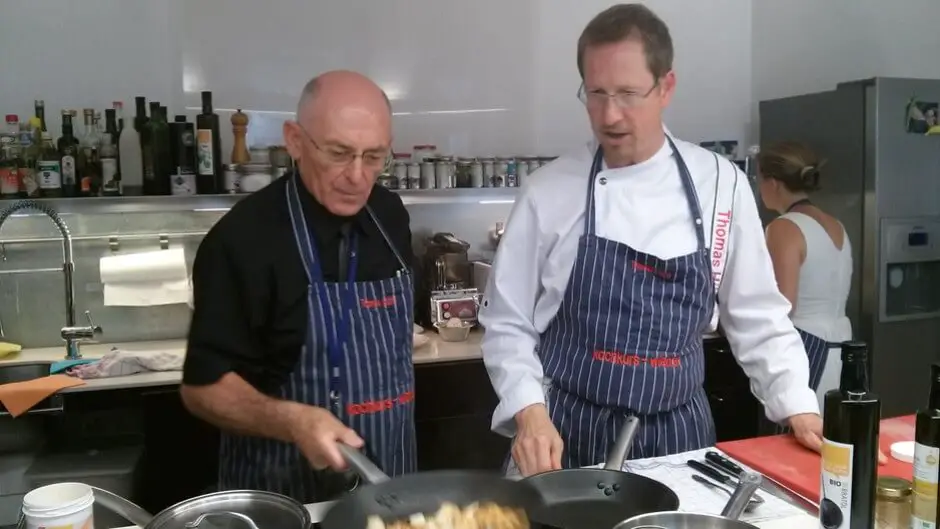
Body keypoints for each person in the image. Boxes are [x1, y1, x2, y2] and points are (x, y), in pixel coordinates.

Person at [479, 3, 823, 477]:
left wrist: (796, 405)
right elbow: (507, 324)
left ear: (666, 88)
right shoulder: (549, 191)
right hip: (565, 438)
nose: (610, 114)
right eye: (596, 93)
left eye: (627, 93)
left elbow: (758, 315)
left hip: (679, 439)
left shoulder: (720, 183)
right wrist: (529, 412)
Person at [180, 70, 417, 502]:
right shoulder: (244, 239)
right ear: (295, 141)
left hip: (390, 492)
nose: (358, 176)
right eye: (340, 153)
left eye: (375, 156)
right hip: (284, 500)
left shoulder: (389, 216)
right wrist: (293, 420)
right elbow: (202, 389)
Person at [757, 142, 852, 417]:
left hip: (807, 351)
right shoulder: (837, 225)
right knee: (838, 436)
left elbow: (783, 307)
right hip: (843, 349)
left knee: (795, 441)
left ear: (773, 183)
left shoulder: (784, 228)